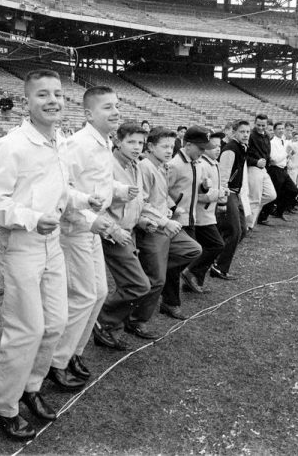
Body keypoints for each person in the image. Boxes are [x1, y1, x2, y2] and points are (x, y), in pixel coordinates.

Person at [0, 69, 91, 440]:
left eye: (57, 94)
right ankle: (0, 404)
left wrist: (80, 199)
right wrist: (31, 219)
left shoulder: (60, 139)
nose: (53, 101)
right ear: (27, 100)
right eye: (43, 95)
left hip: (51, 242)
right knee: (25, 329)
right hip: (22, 244)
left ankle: (30, 387)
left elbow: (56, 189)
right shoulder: (12, 145)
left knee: (56, 323)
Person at [50, 86, 119, 388]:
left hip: (94, 226)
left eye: (116, 106)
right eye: (107, 107)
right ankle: (57, 361)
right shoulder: (76, 144)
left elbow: (99, 184)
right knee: (82, 296)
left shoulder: (104, 141)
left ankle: (74, 351)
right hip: (76, 228)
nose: (115, 112)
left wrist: (117, 191)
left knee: (100, 292)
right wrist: (92, 219)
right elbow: (63, 191)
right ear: (89, 113)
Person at [93, 122, 163, 348]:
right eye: (131, 142)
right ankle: (102, 321)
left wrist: (143, 220)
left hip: (129, 231)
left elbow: (137, 202)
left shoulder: (136, 166)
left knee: (132, 284)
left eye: (141, 142)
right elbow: (97, 204)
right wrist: (113, 230)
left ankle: (111, 328)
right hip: (111, 234)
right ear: (117, 141)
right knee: (138, 284)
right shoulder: (107, 166)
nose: (137, 147)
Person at [136, 127, 202, 320]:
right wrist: (165, 220)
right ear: (150, 146)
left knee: (193, 250)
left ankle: (154, 266)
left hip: (165, 223)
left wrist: (173, 208)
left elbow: (162, 195)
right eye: (164, 146)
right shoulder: (145, 167)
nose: (168, 151)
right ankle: (137, 319)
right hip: (154, 227)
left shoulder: (161, 166)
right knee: (156, 280)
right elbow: (143, 202)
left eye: (171, 146)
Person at [169, 126, 223, 293]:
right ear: (188, 145)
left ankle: (171, 298)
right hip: (177, 221)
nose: (202, 152)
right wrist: (173, 207)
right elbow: (162, 191)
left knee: (186, 257)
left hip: (191, 219)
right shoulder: (174, 165)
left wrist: (204, 187)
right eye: (200, 148)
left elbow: (196, 189)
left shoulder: (197, 163)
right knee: (178, 261)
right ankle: (170, 300)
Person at [213, 120, 251, 280]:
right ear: (234, 132)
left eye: (248, 132)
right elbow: (223, 177)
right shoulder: (230, 149)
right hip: (229, 193)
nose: (245, 135)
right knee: (234, 231)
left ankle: (216, 259)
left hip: (237, 193)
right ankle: (219, 267)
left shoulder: (242, 148)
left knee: (242, 229)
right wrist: (222, 200)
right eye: (242, 132)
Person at [245, 114, 277, 227]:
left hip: (263, 169)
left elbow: (266, 153)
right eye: (258, 125)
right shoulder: (250, 136)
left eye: (263, 125)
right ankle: (248, 226)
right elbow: (244, 155)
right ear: (254, 123)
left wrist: (268, 161)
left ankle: (246, 212)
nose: (260, 127)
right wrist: (255, 162)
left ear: (267, 124)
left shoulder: (267, 136)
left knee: (271, 195)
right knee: (254, 199)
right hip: (253, 168)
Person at [264, 122, 298, 219]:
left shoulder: (283, 141)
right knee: (274, 194)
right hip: (275, 170)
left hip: (283, 170)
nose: (281, 130)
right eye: (279, 129)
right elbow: (274, 160)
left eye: (282, 128)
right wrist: (286, 152)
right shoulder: (272, 143)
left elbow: (284, 156)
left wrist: (289, 154)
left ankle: (279, 211)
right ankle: (263, 216)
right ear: (274, 131)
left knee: (293, 190)